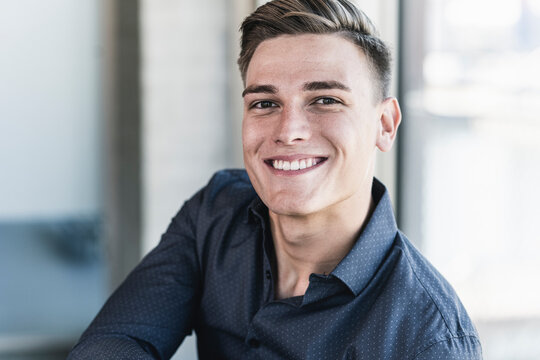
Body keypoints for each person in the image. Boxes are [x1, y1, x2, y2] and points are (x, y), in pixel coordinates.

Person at [67, 0, 482, 359]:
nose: (288, 131)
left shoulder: (428, 340)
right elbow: (113, 341)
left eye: (325, 100)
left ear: (385, 125)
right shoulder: (215, 212)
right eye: (265, 103)